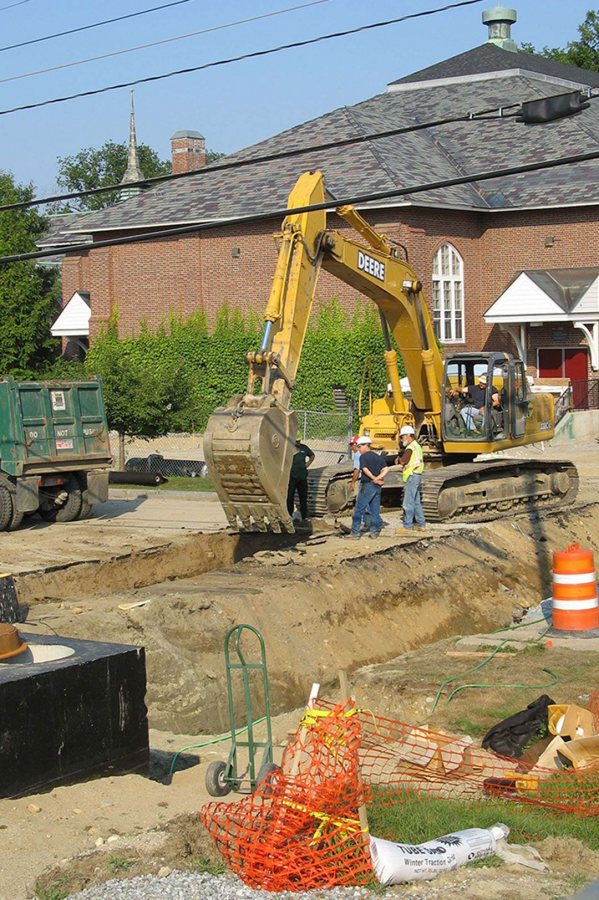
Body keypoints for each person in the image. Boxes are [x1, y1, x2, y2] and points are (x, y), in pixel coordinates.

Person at [348, 436, 388, 540]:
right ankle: (374, 532)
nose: (358, 449)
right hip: (377, 486)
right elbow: (386, 469)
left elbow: (364, 469)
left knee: (359, 510)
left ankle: (355, 533)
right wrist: (378, 478)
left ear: (366, 445)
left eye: (360, 446)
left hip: (367, 485)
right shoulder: (378, 457)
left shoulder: (363, 457)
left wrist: (374, 478)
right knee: (375, 511)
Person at [394, 424, 426, 533]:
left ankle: (407, 526)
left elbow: (404, 461)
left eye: (403, 437)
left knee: (408, 502)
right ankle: (421, 524)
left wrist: (398, 460)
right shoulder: (417, 446)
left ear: (408, 436)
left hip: (411, 476)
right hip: (416, 475)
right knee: (416, 502)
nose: (402, 439)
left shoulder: (410, 447)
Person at [287, 435, 315, 524]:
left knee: (303, 497)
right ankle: (289, 514)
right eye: (296, 441)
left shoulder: (304, 448)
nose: (298, 443)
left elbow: (312, 455)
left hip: (302, 477)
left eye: (299, 441)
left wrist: (307, 464)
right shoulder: (289, 449)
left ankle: (304, 516)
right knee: (290, 497)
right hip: (292, 477)